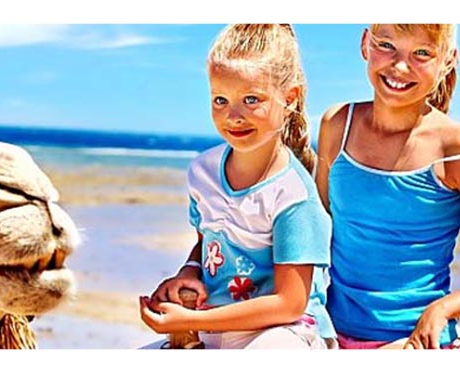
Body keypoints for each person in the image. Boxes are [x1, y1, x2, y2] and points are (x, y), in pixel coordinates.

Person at [314, 24, 460, 349]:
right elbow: (318, 229)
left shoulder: (458, 147)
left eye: (422, 53)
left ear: (447, 60)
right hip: (330, 335)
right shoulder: (338, 125)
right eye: (386, 45)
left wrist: (443, 309)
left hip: (413, 341)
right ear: (364, 43)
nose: (400, 66)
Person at [139, 24, 334, 349]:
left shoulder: (293, 196)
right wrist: (188, 273)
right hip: (217, 320)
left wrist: (191, 321)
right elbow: (208, 244)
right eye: (220, 100)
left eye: (251, 99)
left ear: (290, 98)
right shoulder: (203, 173)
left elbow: (290, 303)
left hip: (286, 334)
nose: (234, 116)